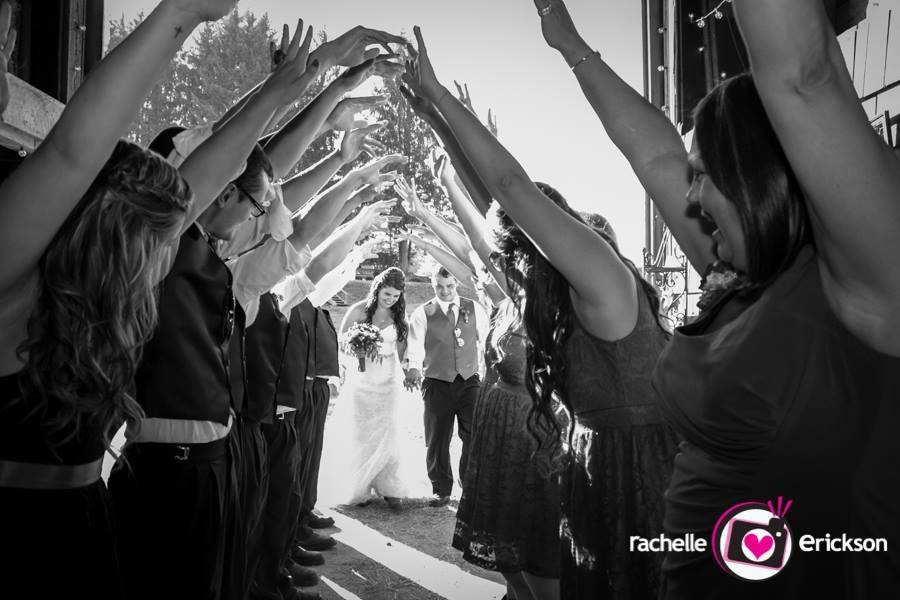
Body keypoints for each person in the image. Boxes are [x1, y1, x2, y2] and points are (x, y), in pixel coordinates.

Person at [534, 0, 900, 597]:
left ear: (753, 172)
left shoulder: (864, 290)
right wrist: (570, 45)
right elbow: (652, 155)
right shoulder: (739, 276)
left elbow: (805, 76)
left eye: (703, 174)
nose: (691, 197)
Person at [404, 26, 678, 598]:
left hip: (643, 475)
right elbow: (492, 213)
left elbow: (509, 189)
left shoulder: (602, 278)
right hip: (593, 465)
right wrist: (434, 119)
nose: (507, 262)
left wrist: (440, 95)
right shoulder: (549, 288)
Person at [0, 1, 235, 597]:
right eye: (163, 240)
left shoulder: (88, 301)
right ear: (121, 237)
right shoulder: (16, 280)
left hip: (85, 527)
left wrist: (295, 89)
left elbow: (197, 185)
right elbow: (70, 153)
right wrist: (181, 11)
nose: (173, 251)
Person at [452, 205, 563, 600]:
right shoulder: (514, 298)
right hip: (497, 442)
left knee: (531, 549)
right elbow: (476, 246)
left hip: (529, 443)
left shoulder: (553, 306)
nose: (498, 261)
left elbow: (477, 247)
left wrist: (454, 188)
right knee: (505, 548)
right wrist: (445, 188)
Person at [325, 267, 412, 509]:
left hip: (388, 384)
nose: (391, 300)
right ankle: (359, 486)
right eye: (387, 294)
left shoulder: (399, 319)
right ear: (377, 289)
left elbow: (404, 355)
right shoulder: (358, 311)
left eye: (395, 296)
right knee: (361, 435)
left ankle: (389, 487)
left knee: (387, 434)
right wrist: (356, 349)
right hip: (361, 382)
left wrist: (411, 371)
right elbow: (341, 344)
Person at [404, 265, 490, 507]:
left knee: (473, 434)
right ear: (433, 285)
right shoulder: (423, 313)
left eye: (449, 286)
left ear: (456, 285)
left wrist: (485, 373)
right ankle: (441, 489)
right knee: (437, 438)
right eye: (439, 287)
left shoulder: (474, 308)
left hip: (470, 381)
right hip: (437, 382)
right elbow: (415, 345)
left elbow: (484, 341)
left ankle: (469, 485)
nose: (444, 291)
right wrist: (413, 367)